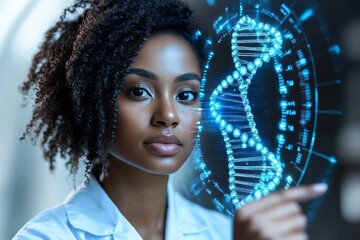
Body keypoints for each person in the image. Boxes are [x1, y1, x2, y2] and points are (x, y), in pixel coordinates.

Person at [13, 0, 327, 239]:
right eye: (138, 91)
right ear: (92, 100)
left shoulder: (222, 232)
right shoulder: (46, 235)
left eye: (186, 95)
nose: (168, 116)